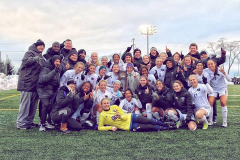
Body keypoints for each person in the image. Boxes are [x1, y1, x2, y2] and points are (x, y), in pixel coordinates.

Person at [98, 98, 176, 132]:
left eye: (107, 103)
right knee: (150, 127)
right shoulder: (102, 115)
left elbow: (123, 115)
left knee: (149, 120)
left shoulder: (114, 107)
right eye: (104, 103)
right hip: (128, 126)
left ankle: (167, 125)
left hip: (130, 117)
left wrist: (120, 116)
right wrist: (110, 127)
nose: (106, 105)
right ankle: (166, 128)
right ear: (101, 105)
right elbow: (100, 127)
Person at [17, 39, 45, 129]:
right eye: (40, 45)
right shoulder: (30, 52)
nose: (42, 47)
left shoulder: (40, 55)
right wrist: (35, 59)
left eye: (43, 46)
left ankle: (29, 122)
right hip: (27, 83)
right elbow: (25, 62)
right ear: (36, 46)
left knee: (33, 105)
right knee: (25, 104)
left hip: (35, 85)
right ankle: (21, 123)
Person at [37, 55, 62, 131]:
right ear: (52, 61)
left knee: (52, 105)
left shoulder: (57, 69)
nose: (57, 63)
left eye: (59, 61)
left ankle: (48, 121)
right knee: (45, 104)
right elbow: (43, 79)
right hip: (43, 89)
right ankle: (42, 123)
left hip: (51, 91)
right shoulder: (46, 69)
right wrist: (54, 71)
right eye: (56, 61)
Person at [204, 60, 232, 127]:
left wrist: (224, 73)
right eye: (209, 64)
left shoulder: (220, 70)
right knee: (210, 103)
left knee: (223, 103)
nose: (210, 66)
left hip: (222, 89)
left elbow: (230, 80)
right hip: (213, 89)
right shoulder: (206, 70)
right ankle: (210, 121)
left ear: (215, 64)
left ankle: (224, 122)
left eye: (211, 64)